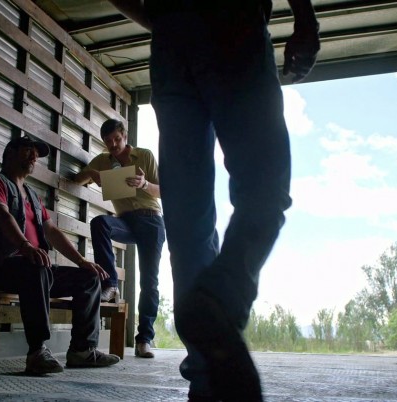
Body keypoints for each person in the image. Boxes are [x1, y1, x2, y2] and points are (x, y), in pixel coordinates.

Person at [107, 0, 320, 400]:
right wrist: (305, 19)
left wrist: (165, 19)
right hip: (233, 20)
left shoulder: (141, 157)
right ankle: (222, 300)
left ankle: (207, 376)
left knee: (188, 222)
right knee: (265, 185)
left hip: (171, 40)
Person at [0, 134, 120, 375]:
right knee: (36, 267)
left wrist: (82, 261)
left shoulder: (33, 196)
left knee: (89, 278)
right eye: (28, 149)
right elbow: (1, 215)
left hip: (35, 268)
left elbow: (52, 232)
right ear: (10, 153)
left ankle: (82, 350)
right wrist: (25, 245)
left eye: (36, 153)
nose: (34, 156)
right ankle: (37, 351)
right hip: (0, 265)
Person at [74, 119, 165, 359]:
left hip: (151, 221)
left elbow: (163, 190)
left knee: (149, 282)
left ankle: (144, 340)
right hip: (125, 221)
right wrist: (91, 173)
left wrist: (144, 184)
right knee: (100, 223)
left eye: (117, 139)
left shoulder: (144, 155)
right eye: (108, 141)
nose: (113, 145)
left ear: (124, 136)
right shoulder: (102, 161)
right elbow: (77, 179)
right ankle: (111, 284)